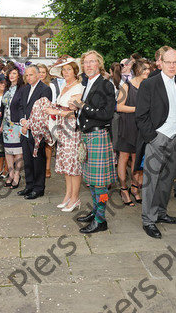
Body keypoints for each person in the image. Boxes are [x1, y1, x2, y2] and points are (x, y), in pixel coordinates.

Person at [135, 47, 176, 239]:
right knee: (152, 180)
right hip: (158, 138)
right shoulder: (149, 84)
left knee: (167, 179)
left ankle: (160, 212)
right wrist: (152, 137)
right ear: (160, 62)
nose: (172, 65)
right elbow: (141, 115)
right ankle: (148, 220)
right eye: (168, 62)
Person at [70, 51, 116, 233]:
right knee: (91, 179)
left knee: (101, 183)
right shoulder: (86, 83)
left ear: (99, 64)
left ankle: (101, 219)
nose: (88, 65)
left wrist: (82, 106)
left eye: (92, 62)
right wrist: (77, 110)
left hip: (98, 136)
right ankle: (96, 210)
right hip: (87, 136)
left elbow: (106, 114)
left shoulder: (106, 85)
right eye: (85, 63)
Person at [45, 58, 84, 212]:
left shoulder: (79, 88)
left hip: (72, 129)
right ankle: (68, 195)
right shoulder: (65, 86)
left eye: (69, 69)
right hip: (62, 128)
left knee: (74, 165)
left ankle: (75, 198)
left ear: (75, 71)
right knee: (66, 165)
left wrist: (57, 112)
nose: (65, 72)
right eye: (64, 70)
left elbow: (77, 112)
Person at [14, 65, 52, 200]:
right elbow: (21, 107)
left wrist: (28, 124)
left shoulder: (45, 89)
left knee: (38, 160)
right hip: (25, 129)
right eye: (27, 75)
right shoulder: (25, 89)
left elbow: (43, 111)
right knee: (27, 160)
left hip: (37, 131)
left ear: (38, 75)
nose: (28, 77)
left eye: (31, 75)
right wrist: (22, 121)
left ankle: (38, 188)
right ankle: (29, 185)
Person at [116, 59, 150, 206]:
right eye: (145, 69)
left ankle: (135, 188)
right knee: (124, 158)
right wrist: (138, 109)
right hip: (126, 126)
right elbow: (119, 107)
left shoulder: (148, 86)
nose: (148, 71)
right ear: (137, 70)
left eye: (148, 69)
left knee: (138, 160)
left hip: (141, 128)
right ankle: (123, 190)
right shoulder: (126, 86)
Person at [1, 66, 24, 188]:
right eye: (10, 73)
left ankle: (17, 174)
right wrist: (1, 123)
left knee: (18, 151)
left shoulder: (22, 89)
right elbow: (4, 107)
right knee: (8, 151)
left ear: (19, 75)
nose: (12, 76)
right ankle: (10, 173)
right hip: (6, 124)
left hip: (17, 124)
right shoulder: (7, 88)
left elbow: (23, 108)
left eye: (14, 73)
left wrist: (22, 125)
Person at [36, 63, 55, 178]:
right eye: (39, 72)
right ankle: (38, 167)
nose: (41, 74)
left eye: (43, 72)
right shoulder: (32, 85)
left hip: (47, 117)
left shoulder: (51, 86)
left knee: (48, 144)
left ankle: (47, 167)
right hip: (35, 119)